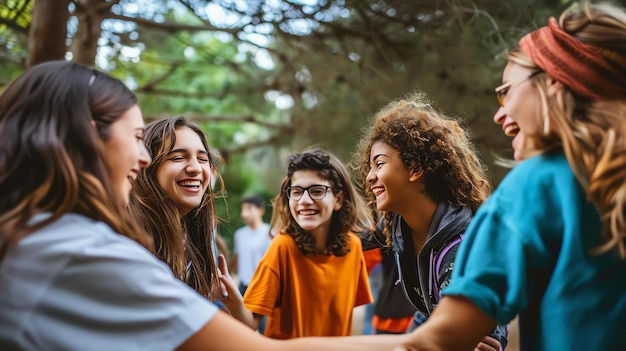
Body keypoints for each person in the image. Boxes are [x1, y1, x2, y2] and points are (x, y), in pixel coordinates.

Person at [0, 60, 412, 350]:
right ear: (89, 137)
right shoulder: (79, 248)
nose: (141, 157)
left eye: (203, 158)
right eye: (136, 139)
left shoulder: (191, 250)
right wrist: (424, 342)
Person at [397, 2, 626, 350]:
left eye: (506, 92)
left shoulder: (538, 186)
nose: (498, 116)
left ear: (553, 81)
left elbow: (433, 342)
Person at [353, 92, 508, 350]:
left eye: (379, 164)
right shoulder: (396, 223)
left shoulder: (460, 248)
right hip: (428, 320)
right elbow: (349, 240)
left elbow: (476, 332)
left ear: (415, 168)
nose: (369, 177)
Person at [218, 149, 375, 338]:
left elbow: (341, 316)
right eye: (297, 192)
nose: (304, 201)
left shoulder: (353, 246)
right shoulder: (283, 246)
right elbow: (250, 322)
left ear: (338, 199)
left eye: (317, 191)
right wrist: (231, 299)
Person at [128, 116, 222, 301]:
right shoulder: (132, 243)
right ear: (146, 166)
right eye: (178, 157)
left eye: (202, 159)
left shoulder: (191, 236)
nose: (196, 168)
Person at [230, 195, 272, 296]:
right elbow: (237, 256)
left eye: (249, 208)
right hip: (242, 285)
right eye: (242, 209)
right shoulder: (239, 234)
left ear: (261, 210)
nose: (244, 213)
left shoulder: (270, 233)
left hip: (263, 286)